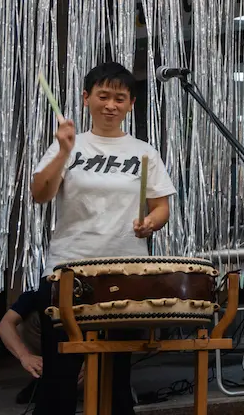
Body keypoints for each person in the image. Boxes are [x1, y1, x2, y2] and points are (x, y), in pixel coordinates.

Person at [30, 61, 176, 415]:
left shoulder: (144, 151)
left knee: (115, 376)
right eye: (104, 96)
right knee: (60, 376)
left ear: (131, 105)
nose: (111, 105)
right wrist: (63, 152)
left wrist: (150, 224)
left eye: (120, 98)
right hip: (68, 272)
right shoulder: (69, 144)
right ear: (86, 98)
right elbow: (40, 193)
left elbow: (161, 208)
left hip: (125, 274)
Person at [0, 289, 44, 404]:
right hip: (51, 353)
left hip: (87, 357)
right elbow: (5, 324)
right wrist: (25, 356)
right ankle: (44, 376)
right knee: (24, 321)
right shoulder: (39, 293)